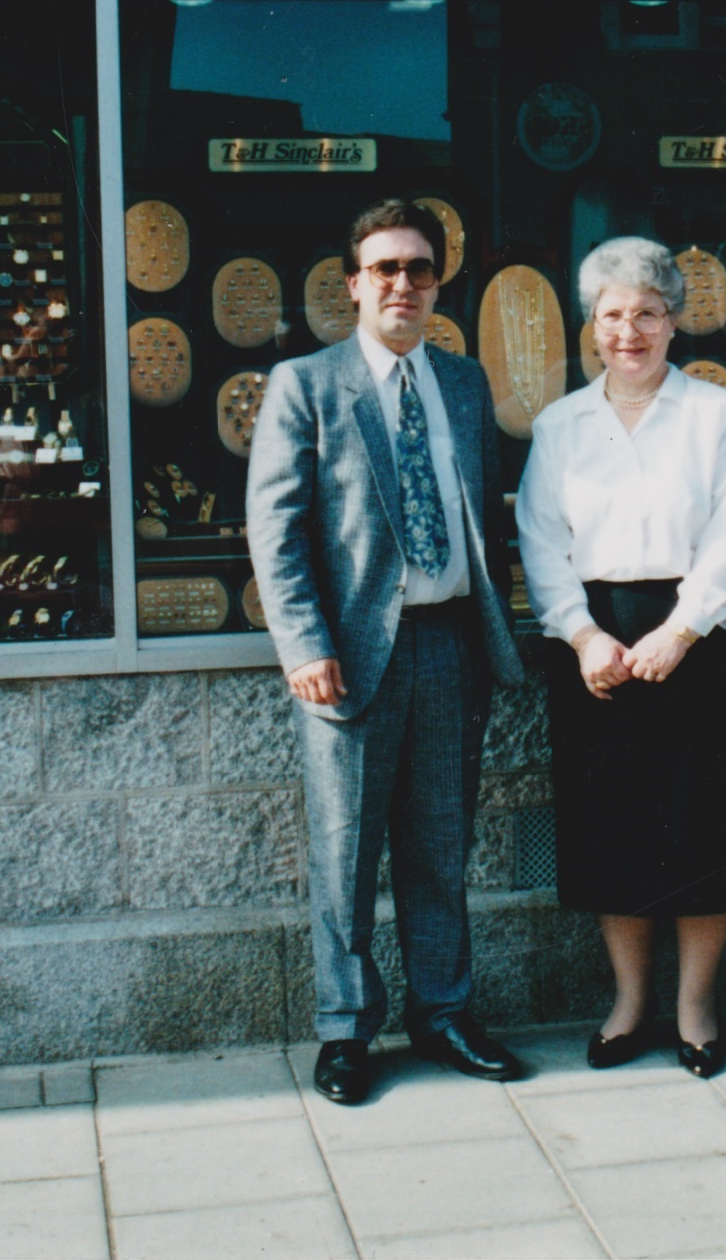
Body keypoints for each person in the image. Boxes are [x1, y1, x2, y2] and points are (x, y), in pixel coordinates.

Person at [246, 198, 529, 1106]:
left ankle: (444, 1014)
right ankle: (345, 1032)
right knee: (345, 853)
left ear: (438, 284)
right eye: (385, 269)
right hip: (349, 661)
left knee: (439, 850)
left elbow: (484, 516)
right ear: (354, 284)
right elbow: (276, 531)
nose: (403, 284)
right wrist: (303, 643)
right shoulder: (307, 384)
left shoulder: (465, 384)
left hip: (450, 648)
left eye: (419, 268)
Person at [516, 237, 726, 1079]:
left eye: (648, 314)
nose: (630, 331)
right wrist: (584, 635)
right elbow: (541, 543)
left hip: (700, 642)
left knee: (705, 830)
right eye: (614, 315)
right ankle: (629, 1004)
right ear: (592, 326)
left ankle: (696, 1007)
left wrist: (682, 630)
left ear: (674, 321)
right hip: (596, 646)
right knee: (611, 835)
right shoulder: (559, 426)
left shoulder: (717, 416)